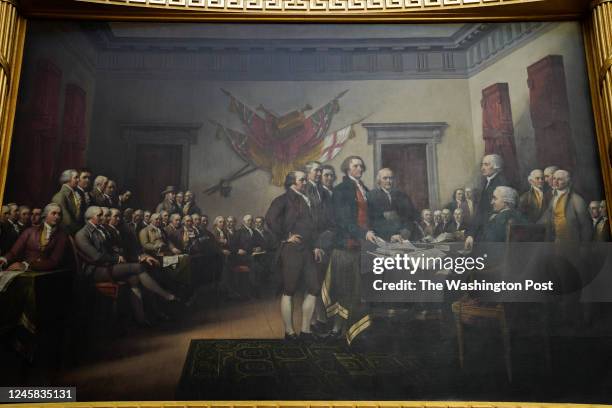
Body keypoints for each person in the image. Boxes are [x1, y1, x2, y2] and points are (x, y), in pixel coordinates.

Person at [75, 206, 177, 325]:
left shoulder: (99, 230)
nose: (103, 217)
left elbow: (112, 251)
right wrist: (117, 258)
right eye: (99, 215)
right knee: (138, 267)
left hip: (108, 266)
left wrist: (121, 256)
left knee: (134, 279)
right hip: (95, 271)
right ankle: (166, 295)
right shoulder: (81, 234)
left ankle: (142, 320)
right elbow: (96, 257)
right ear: (89, 218)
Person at [323, 155, 377, 344]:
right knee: (348, 290)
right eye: (355, 166)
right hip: (347, 247)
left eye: (361, 166)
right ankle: (341, 330)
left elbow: (372, 218)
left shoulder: (365, 189)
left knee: (360, 290)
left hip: (363, 246)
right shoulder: (341, 189)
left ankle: (353, 331)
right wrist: (364, 233)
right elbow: (344, 220)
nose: (360, 169)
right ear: (347, 169)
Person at [266, 171, 325, 340]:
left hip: (308, 249)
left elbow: (314, 227)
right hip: (291, 250)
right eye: (303, 180)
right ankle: (289, 331)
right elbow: (270, 220)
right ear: (293, 183)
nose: (306, 182)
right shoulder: (282, 200)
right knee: (289, 290)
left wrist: (316, 246)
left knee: (314, 288)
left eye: (306, 179)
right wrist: (286, 237)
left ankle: (305, 330)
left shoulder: (309, 200)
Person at [0, 203, 68, 271]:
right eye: (54, 213)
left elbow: (54, 261)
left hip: (45, 273)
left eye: (59, 214)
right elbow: (13, 252)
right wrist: (4, 259)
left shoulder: (62, 235)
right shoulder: (30, 231)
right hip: (24, 271)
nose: (57, 216)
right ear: (45, 215)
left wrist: (27, 266)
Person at [538, 170, 591, 242]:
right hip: (555, 241)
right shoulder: (553, 198)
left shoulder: (577, 200)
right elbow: (547, 217)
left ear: (567, 182)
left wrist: (584, 246)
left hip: (571, 242)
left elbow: (586, 226)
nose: (555, 182)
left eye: (559, 179)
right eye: (554, 178)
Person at [367, 168, 417, 241]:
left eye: (391, 178)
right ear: (379, 180)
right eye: (385, 178)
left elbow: (410, 217)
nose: (388, 181)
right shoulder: (371, 196)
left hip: (402, 236)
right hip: (382, 238)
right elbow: (373, 222)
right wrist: (389, 236)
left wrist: (405, 231)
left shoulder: (402, 195)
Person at [51, 169, 82, 235]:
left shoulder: (74, 194)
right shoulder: (60, 196)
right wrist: (81, 231)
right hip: (66, 234)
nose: (78, 180)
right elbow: (67, 221)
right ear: (67, 180)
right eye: (76, 177)